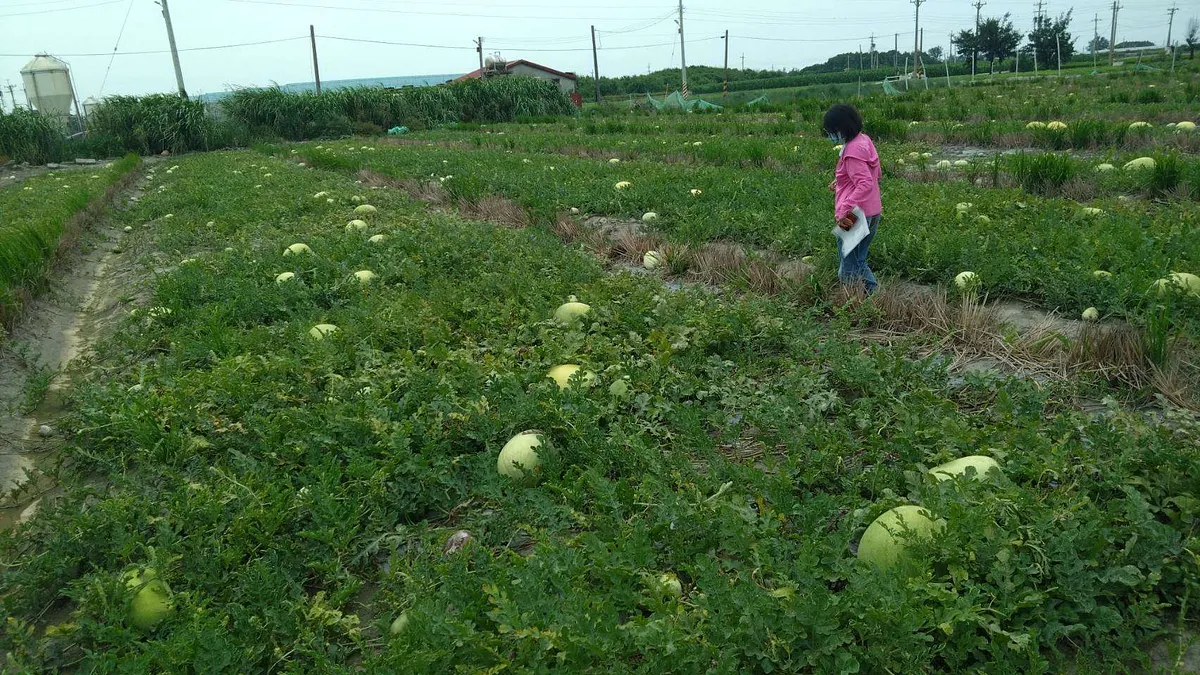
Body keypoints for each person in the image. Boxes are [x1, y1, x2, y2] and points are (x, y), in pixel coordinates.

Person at [824, 104, 882, 294]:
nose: (830, 135)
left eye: (832, 131)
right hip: (872, 210)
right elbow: (874, 173)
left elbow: (865, 183)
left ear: (842, 128)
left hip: (855, 214)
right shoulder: (863, 141)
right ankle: (868, 297)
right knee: (857, 258)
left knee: (849, 264)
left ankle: (867, 296)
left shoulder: (851, 152)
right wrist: (841, 181)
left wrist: (844, 210)